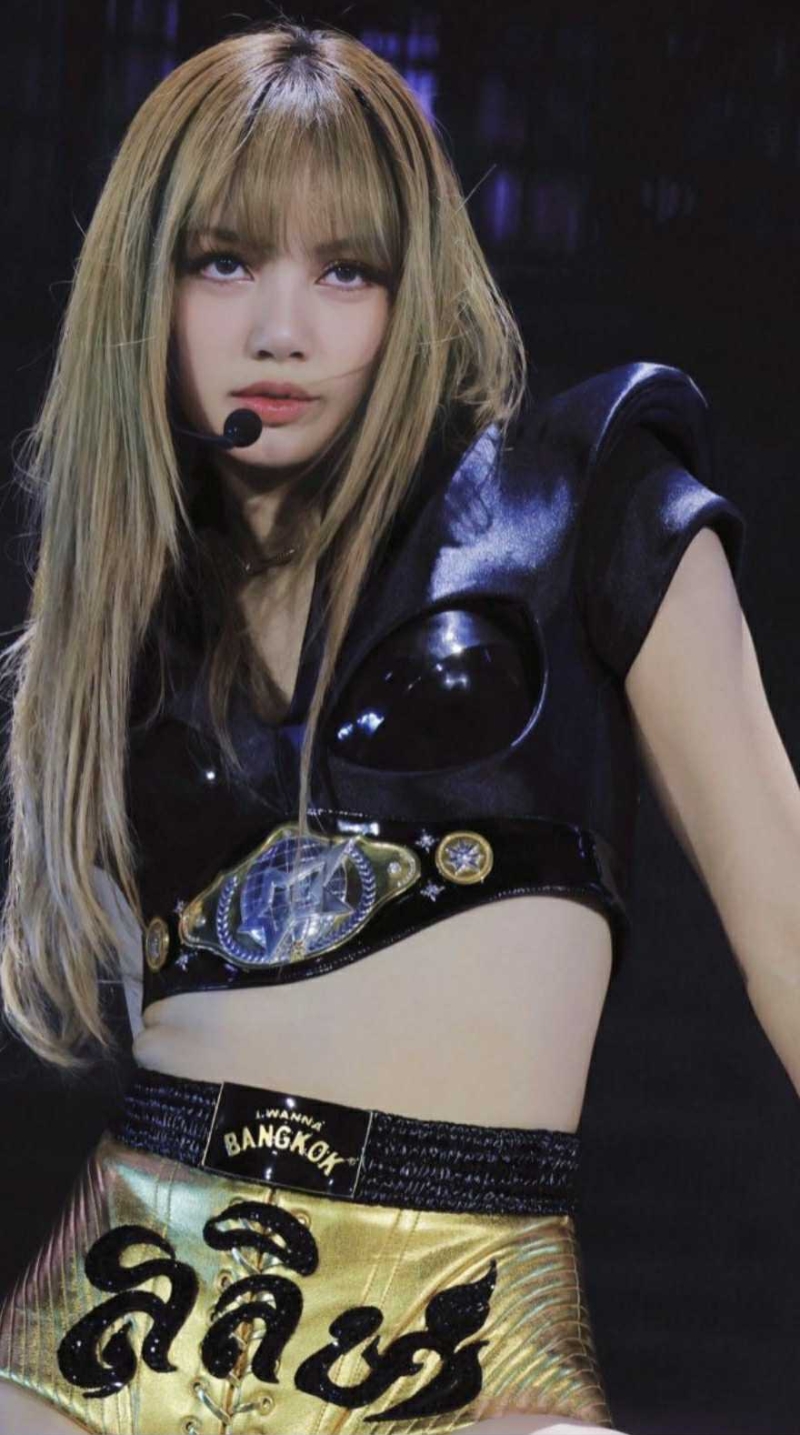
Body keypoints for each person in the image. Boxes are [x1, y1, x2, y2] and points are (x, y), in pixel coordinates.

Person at [1, 17, 798, 1435]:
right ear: (147, 280)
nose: (282, 330)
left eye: (346, 270)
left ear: (410, 285)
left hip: (465, 1326)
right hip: (129, 1307)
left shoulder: (584, 495)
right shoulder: (127, 615)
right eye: (224, 261)